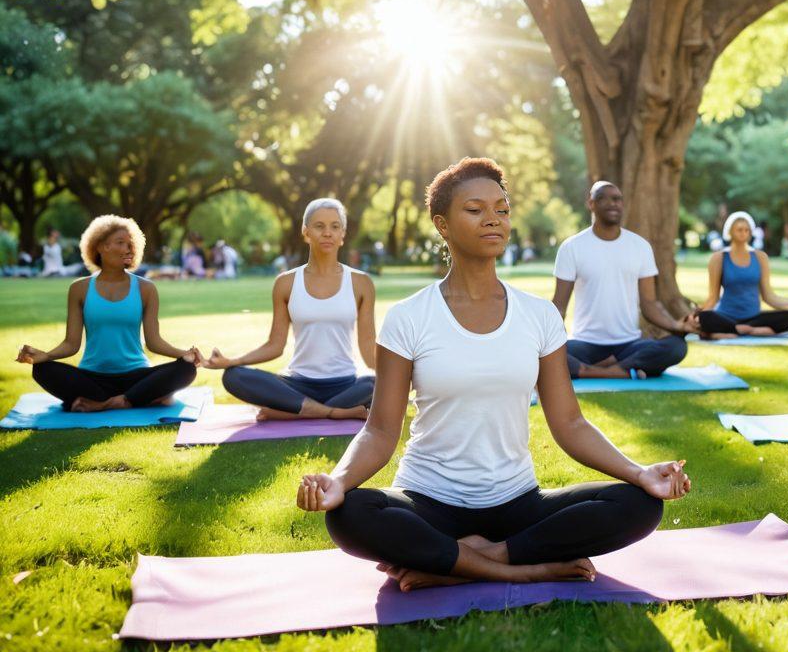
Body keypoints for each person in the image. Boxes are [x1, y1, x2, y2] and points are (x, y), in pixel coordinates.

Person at [296, 158, 689, 592]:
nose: (493, 220)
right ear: (442, 225)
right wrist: (338, 480)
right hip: (428, 502)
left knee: (640, 505)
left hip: (516, 504)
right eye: (475, 209)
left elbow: (570, 424)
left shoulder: (539, 316)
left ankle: (463, 562)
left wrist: (639, 473)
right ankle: (520, 568)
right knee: (349, 513)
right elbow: (381, 431)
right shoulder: (408, 317)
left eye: (502, 210)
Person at [204, 199, 376, 421]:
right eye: (319, 226)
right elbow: (275, 346)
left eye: (335, 227)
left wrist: (404, 371)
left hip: (345, 384)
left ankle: (292, 412)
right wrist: (231, 362)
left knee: (377, 382)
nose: (327, 233)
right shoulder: (285, 283)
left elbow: (369, 350)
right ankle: (334, 412)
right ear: (306, 233)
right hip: (298, 384)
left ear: (342, 235)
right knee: (234, 376)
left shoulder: (361, 282)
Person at [15, 215, 201, 412]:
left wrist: (185, 355)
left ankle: (109, 403)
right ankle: (135, 399)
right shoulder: (80, 288)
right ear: (100, 247)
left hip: (136, 376)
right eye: (121, 243)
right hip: (93, 378)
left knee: (186, 369)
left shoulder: (146, 288)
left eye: (131, 244)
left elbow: (154, 342)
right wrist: (45, 355)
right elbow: (71, 344)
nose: (128, 248)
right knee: (42, 369)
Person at [552, 181, 697, 379]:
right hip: (585, 344)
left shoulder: (640, 246)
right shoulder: (572, 247)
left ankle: (591, 370)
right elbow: (559, 306)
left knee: (676, 347)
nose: (612, 203)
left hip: (628, 344)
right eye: (603, 198)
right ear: (591, 204)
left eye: (617, 199)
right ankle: (620, 370)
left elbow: (650, 304)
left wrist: (676, 326)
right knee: (544, 354)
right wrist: (543, 341)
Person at [696, 211, 788, 338]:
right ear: (730, 232)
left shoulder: (760, 257)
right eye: (739, 230)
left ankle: (733, 330)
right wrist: (698, 315)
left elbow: (769, 296)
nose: (743, 233)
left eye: (746, 230)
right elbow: (713, 297)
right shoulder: (719, 258)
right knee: (705, 318)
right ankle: (748, 330)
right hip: (725, 316)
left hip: (754, 318)